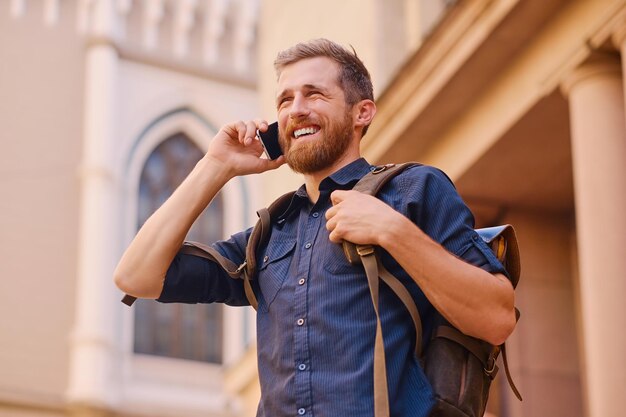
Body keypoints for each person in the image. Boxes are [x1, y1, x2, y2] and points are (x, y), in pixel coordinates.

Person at [114, 38, 516, 417]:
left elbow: (497, 317)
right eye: (285, 100)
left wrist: (392, 230)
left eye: (314, 94)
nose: (296, 109)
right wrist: (215, 166)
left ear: (362, 113)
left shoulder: (415, 189)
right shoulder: (269, 235)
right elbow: (136, 276)